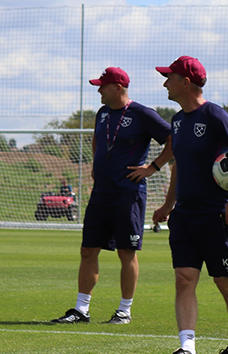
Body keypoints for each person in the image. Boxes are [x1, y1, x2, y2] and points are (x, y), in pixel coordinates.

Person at [153, 56, 228, 354]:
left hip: (216, 215)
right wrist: (168, 205)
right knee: (184, 279)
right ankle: (187, 348)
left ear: (186, 82)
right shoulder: (177, 120)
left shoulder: (213, 114)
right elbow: (179, 168)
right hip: (184, 216)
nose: (164, 83)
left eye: (168, 77)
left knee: (226, 282)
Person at [50, 67, 173, 325]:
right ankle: (81, 309)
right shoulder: (103, 113)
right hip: (101, 193)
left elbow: (174, 139)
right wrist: (96, 164)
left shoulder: (142, 114)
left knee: (126, 252)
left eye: (102, 86)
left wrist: (153, 167)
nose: (98, 90)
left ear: (117, 87)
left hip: (128, 194)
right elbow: (98, 139)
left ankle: (124, 311)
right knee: (87, 249)